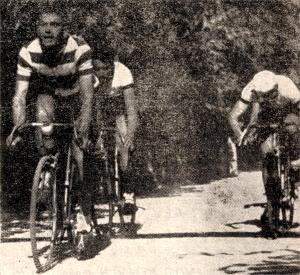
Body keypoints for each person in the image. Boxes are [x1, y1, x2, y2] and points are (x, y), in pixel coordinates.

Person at [6, 5, 95, 256]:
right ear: (36, 29)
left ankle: (83, 217)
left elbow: (88, 95)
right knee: (43, 120)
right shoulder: (29, 52)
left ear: (63, 29)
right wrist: (18, 128)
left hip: (78, 96)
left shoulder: (79, 48)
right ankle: (47, 170)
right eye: (43, 24)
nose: (48, 29)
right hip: (51, 96)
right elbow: (19, 97)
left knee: (80, 156)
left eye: (54, 24)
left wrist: (84, 127)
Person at [229, 70, 300, 232]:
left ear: (276, 87)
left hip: (288, 112)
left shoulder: (287, 86)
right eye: (263, 95)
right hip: (265, 118)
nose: (267, 97)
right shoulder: (250, 90)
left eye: (271, 94)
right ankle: (271, 199)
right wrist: (241, 135)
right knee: (266, 152)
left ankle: (295, 164)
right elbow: (233, 116)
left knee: (292, 128)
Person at [91, 48, 139, 215]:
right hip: (98, 109)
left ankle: (128, 193)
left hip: (118, 110)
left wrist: (129, 137)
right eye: (98, 69)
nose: (102, 73)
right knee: (94, 146)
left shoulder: (123, 72)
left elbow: (131, 111)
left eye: (106, 69)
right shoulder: (88, 74)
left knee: (124, 144)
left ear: (113, 66)